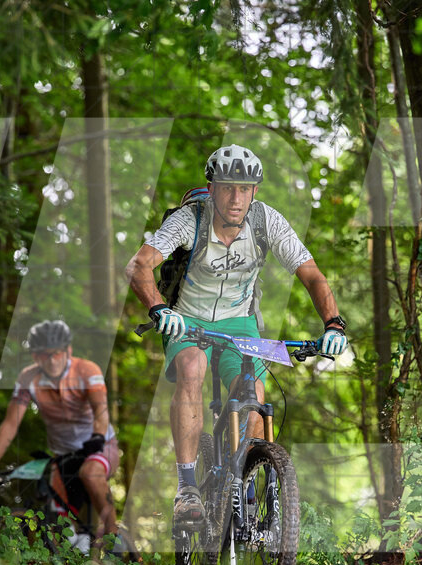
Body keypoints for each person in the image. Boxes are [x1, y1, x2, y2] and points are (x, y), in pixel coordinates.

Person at [125, 144, 348, 529]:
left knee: (255, 399)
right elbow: (139, 265)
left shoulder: (266, 221)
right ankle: (188, 488)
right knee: (192, 367)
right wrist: (160, 309)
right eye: (227, 187)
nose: (236, 197)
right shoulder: (188, 219)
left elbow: (311, 273)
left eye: (244, 189)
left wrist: (333, 324)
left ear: (255, 192)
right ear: (212, 189)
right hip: (187, 320)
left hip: (239, 323)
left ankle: (245, 484)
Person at [0, 320, 125, 554]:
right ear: (35, 356)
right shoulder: (28, 379)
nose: (52, 360)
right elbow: (9, 424)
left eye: (56, 353)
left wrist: (97, 436)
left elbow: (101, 410)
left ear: (68, 351)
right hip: (63, 454)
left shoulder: (87, 370)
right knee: (60, 522)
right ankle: (76, 559)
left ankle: (113, 539)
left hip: (100, 446)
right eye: (44, 355)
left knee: (90, 472)